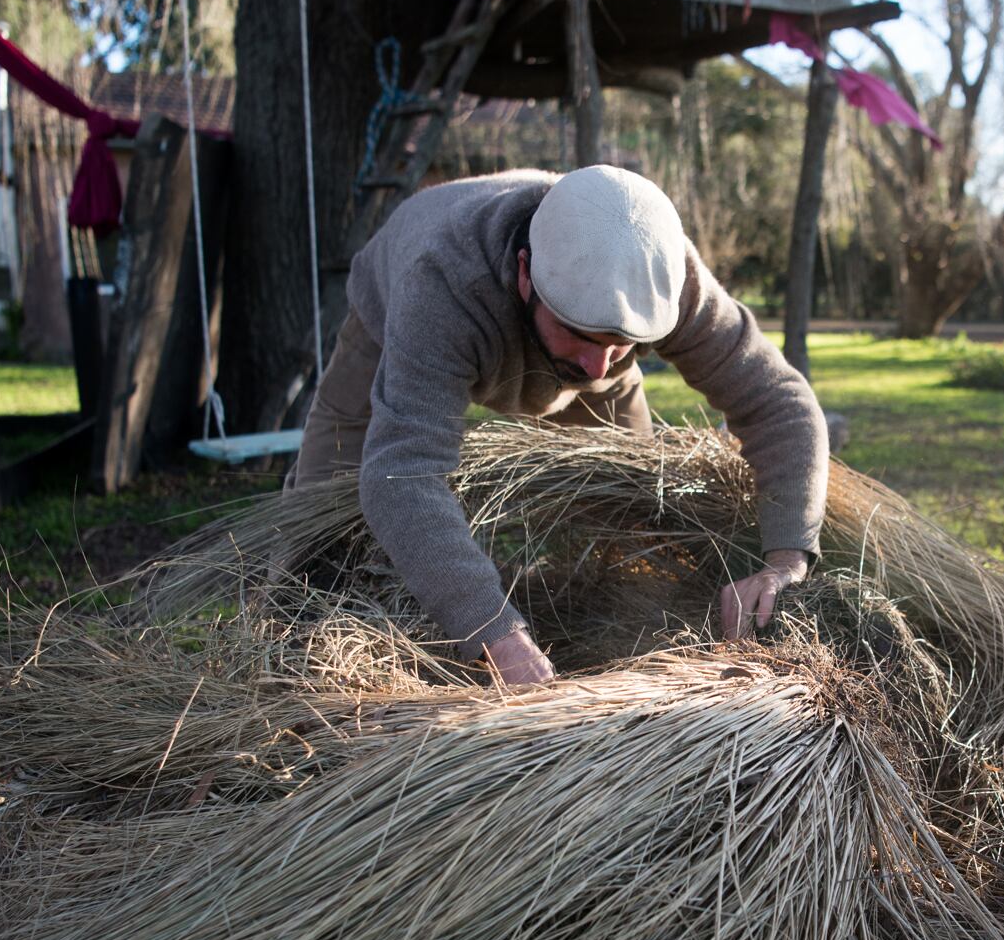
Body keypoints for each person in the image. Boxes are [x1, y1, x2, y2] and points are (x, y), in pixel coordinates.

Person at [289, 165, 829, 686]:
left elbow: (781, 402)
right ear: (526, 272)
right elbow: (402, 474)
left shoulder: (663, 275)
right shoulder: (441, 283)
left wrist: (785, 560)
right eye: (583, 333)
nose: (600, 364)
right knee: (317, 527)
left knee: (634, 525)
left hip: (556, 345)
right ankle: (283, 655)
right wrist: (492, 630)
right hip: (392, 308)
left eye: (623, 343)